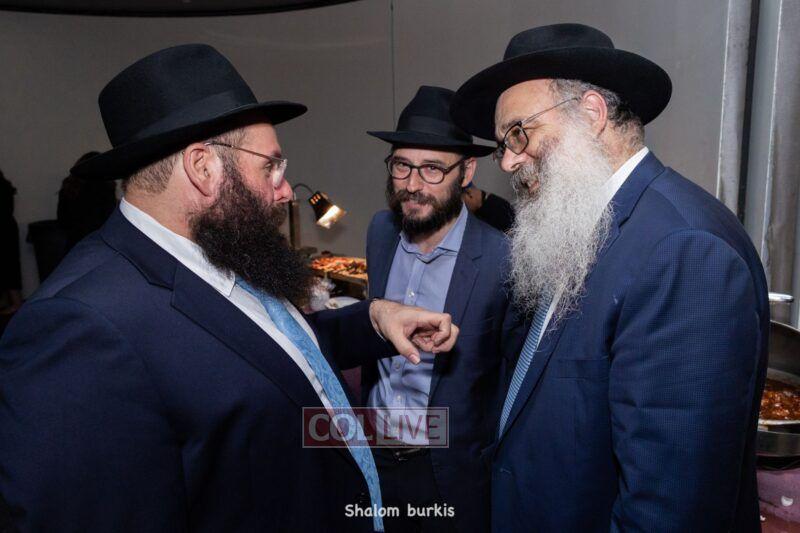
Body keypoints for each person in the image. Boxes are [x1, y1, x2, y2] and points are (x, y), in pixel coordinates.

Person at [0, 44, 458, 533]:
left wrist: (375, 319)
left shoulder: (220, 247)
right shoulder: (78, 328)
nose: (286, 191)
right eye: (271, 167)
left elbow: (277, 353)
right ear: (203, 168)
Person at [450, 23, 769, 532]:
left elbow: (671, 509)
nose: (507, 161)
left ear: (592, 114)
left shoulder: (684, 250)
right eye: (502, 144)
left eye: (518, 133)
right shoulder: (582, 225)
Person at [364, 85, 517, 533]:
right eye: (402, 166)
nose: (413, 185)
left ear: (466, 171)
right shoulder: (380, 231)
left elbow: (512, 386)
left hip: (448, 476)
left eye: (432, 169)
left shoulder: (503, 260)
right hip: (372, 458)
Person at [57, 151, 118, 248]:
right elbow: (108, 218)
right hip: (99, 243)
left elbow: (62, 220)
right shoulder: (104, 187)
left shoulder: (69, 187)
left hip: (73, 244)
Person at [0, 169, 22, 314]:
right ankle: (14, 302)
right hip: (8, 230)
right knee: (10, 267)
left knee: (8, 268)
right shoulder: (5, 188)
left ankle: (15, 303)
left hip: (4, 232)